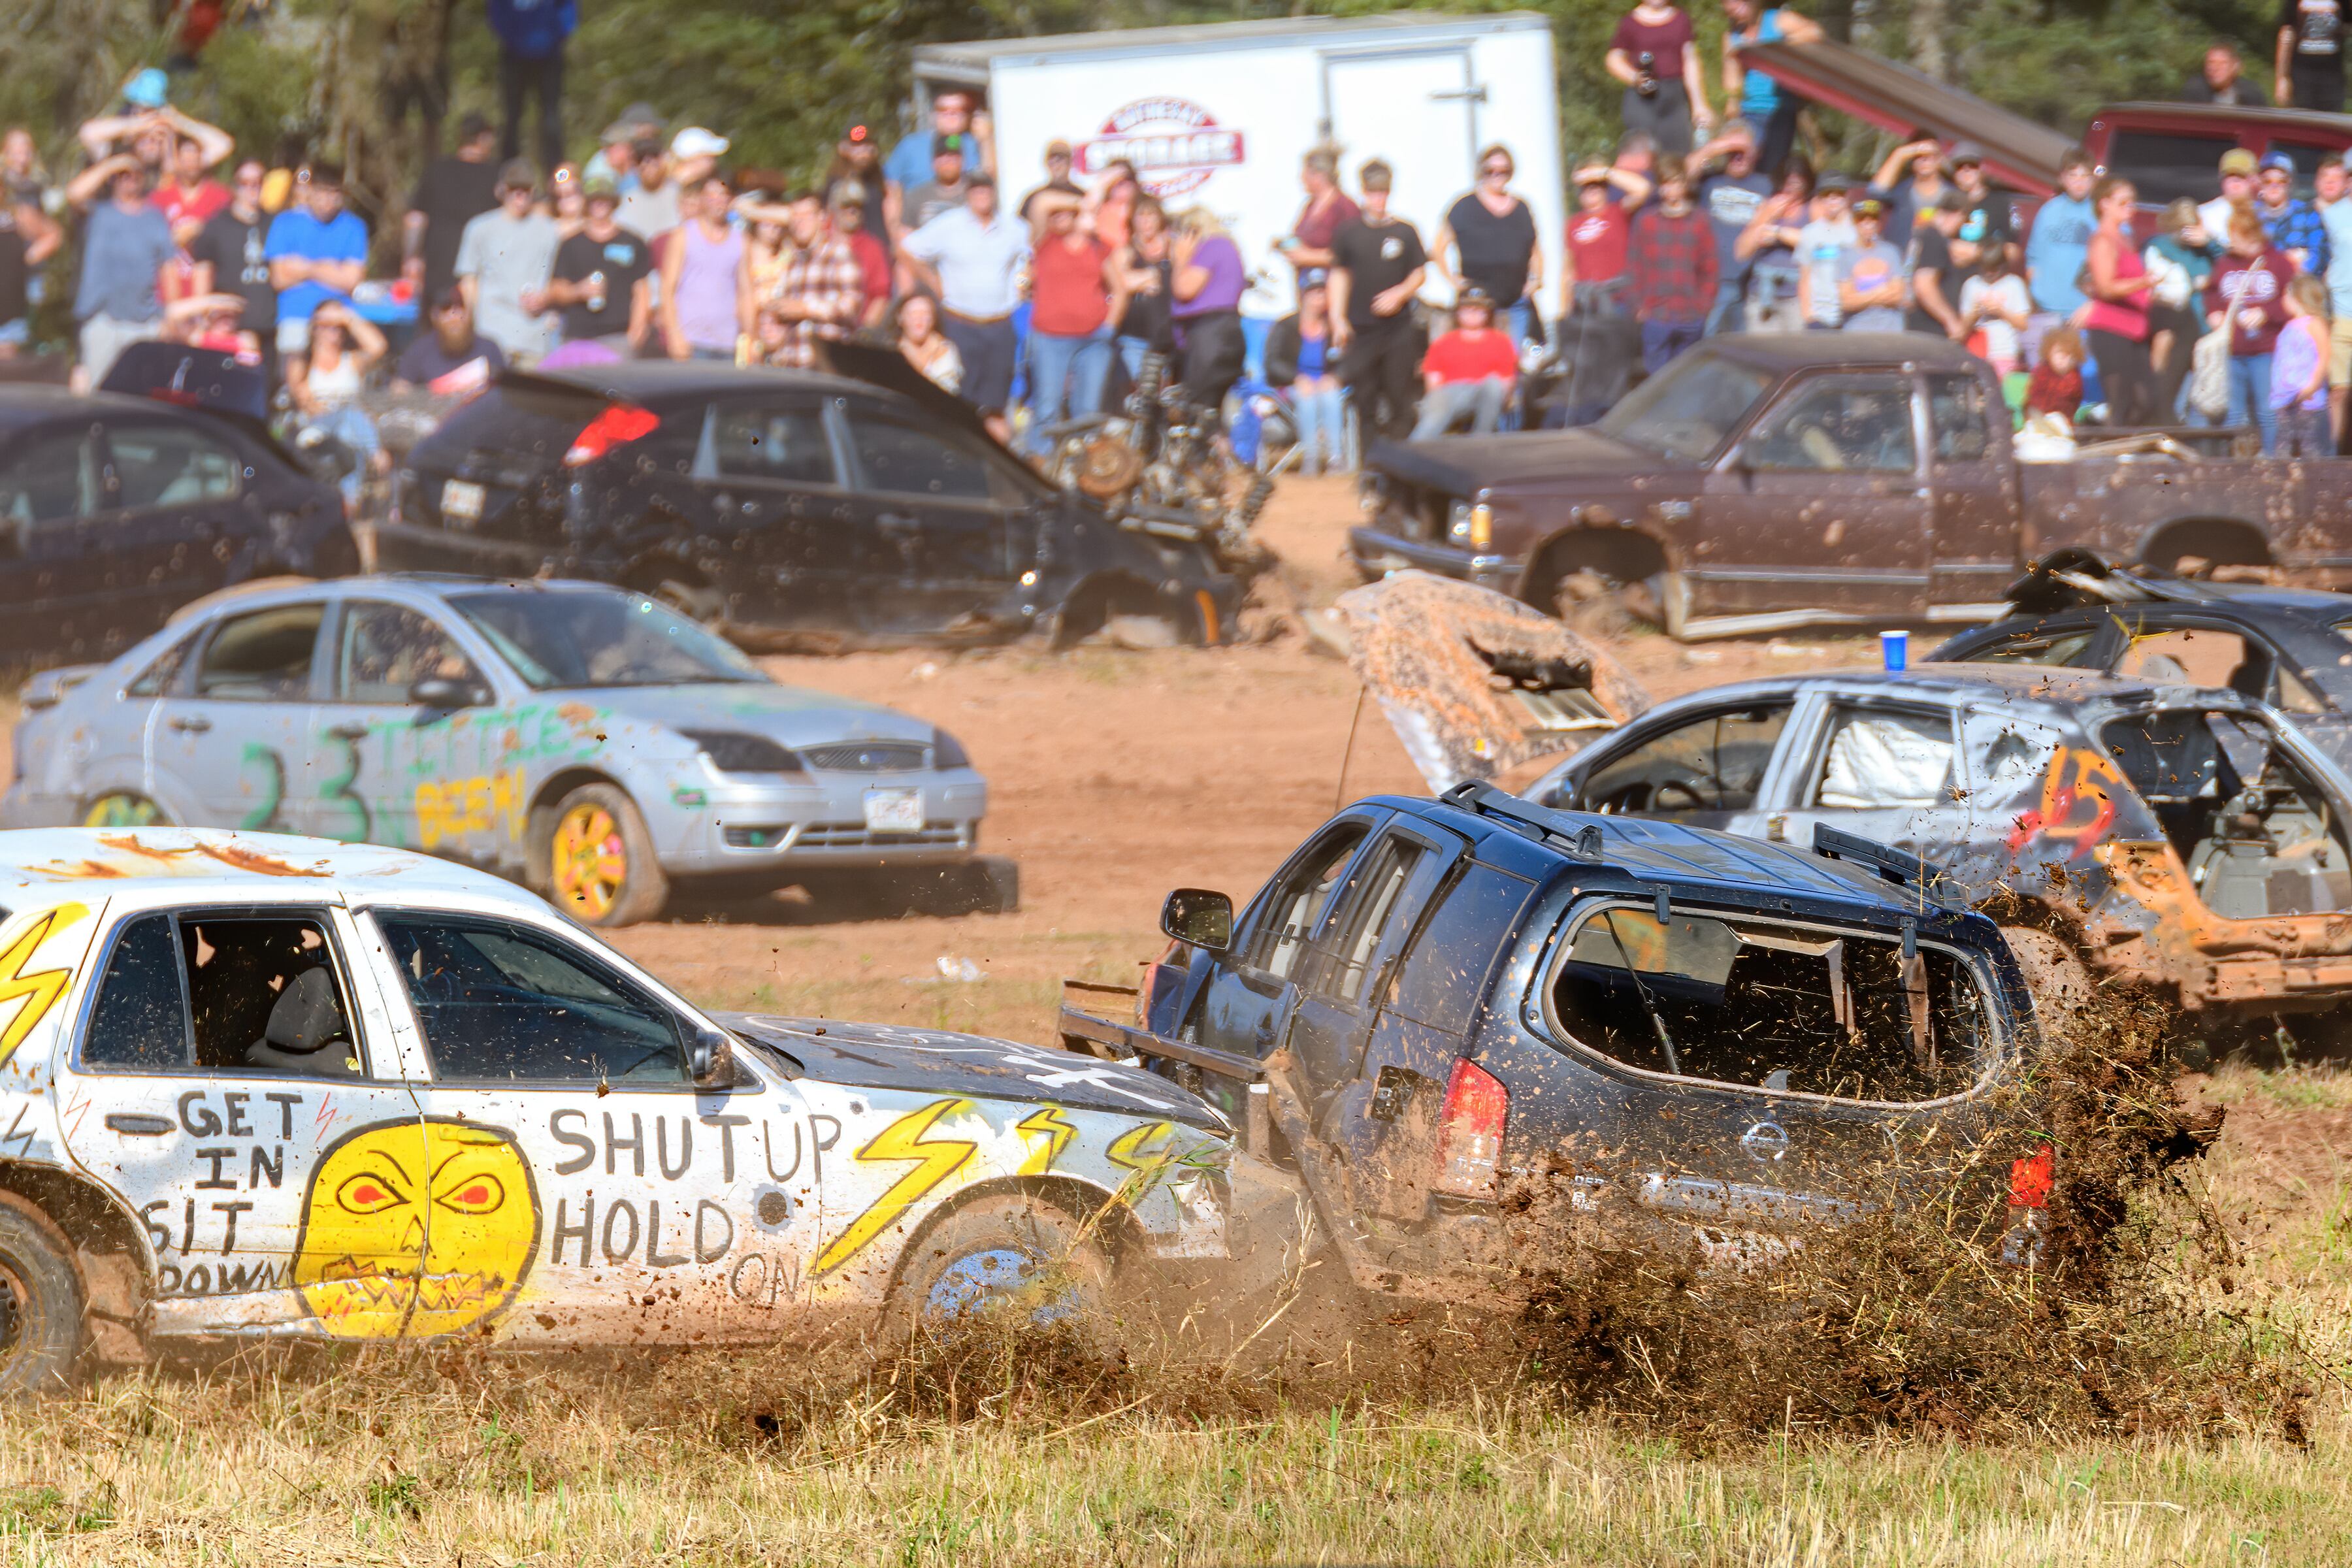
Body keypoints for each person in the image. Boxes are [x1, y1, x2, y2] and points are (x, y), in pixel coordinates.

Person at [900, 174, 1028, 433]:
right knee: (960, 402)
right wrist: (934, 282)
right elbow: (907, 249)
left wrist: (1022, 283)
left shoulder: (1015, 228)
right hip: (961, 324)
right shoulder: (949, 225)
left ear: (994, 192)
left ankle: (997, 466)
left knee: (996, 405)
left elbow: (1028, 258)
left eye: (986, 189)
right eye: (975, 189)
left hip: (1000, 325)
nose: (981, 194)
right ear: (968, 193)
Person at [1329, 160, 1428, 443]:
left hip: (1398, 329)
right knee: (1365, 400)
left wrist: (1400, 293)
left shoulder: (1405, 232)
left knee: (1400, 398)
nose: (1378, 199)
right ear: (1363, 192)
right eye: (1373, 193)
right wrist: (1338, 319)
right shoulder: (1348, 233)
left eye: (1383, 193)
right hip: (1361, 330)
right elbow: (1339, 276)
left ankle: (1403, 467)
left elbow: (1419, 273)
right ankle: (1370, 468)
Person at [63, 153, 173, 385]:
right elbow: (73, 194)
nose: (129, 180)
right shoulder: (98, 212)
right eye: (122, 176)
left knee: (141, 397)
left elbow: (167, 267)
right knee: (99, 394)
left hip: (145, 322)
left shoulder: (155, 218)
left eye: (134, 175)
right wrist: (113, 163)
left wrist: (169, 317)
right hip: (103, 320)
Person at [1023, 191, 1118, 448]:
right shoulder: (1045, 242)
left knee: (1088, 411)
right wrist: (1081, 203)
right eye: (1058, 214)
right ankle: (1040, 466)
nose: (1061, 216)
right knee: (1047, 407)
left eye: (1068, 213)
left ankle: (1084, 473)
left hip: (1093, 341)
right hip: (1051, 339)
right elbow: (1041, 203)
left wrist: (1109, 327)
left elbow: (1119, 289)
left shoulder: (1098, 246)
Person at [1432, 144, 1543, 342]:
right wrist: (1454, 281)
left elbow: (1536, 251)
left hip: (1515, 305)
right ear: (1481, 172)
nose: (1497, 175)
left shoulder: (1522, 208)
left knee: (1517, 365)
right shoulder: (1463, 207)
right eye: (1490, 170)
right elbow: (1438, 249)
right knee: (1479, 365)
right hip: (1477, 308)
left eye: (1503, 171)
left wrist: (1535, 281)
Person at [454, 159, 560, 363]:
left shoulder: (550, 230)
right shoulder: (479, 228)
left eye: (525, 189)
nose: (519, 195)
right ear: (502, 190)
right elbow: (468, 282)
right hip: (491, 334)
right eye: (514, 189)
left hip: (535, 337)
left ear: (533, 191)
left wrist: (546, 298)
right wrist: (470, 327)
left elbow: (559, 278)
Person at [2208, 209, 2298, 452]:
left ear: (2251, 235)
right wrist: (2213, 313)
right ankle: (2228, 465)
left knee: (2267, 410)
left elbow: (2293, 302)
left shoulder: (2278, 262)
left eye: (2236, 236)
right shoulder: (2225, 262)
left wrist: (2266, 313)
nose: (2231, 241)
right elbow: (2212, 292)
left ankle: (2272, 460)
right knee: (2233, 412)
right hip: (2233, 350)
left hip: (2266, 350)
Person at [286, 300, 387, 505]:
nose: (333, 330)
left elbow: (379, 347)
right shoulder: (301, 362)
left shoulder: (352, 361)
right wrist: (340, 413)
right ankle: (374, 454)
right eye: (326, 324)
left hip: (349, 433)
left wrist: (348, 318)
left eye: (338, 326)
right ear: (315, 326)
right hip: (316, 427)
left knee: (347, 433)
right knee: (348, 418)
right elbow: (307, 404)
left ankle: (348, 502)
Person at [265, 161, 367, 359]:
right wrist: (330, 269)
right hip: (295, 317)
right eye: (322, 193)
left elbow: (351, 281)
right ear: (310, 191)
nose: (327, 201)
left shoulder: (354, 227)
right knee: (292, 382)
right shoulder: (285, 223)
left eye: (334, 193)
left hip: (337, 320)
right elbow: (279, 279)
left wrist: (305, 268)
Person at [2080, 176, 2157, 425]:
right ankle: (2109, 451)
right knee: (2121, 402)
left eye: (2132, 202)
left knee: (2147, 400)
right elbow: (2105, 288)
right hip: (2111, 329)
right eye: (2123, 202)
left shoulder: (2125, 238)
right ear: (2104, 204)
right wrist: (2143, 283)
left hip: (2134, 329)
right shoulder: (2102, 240)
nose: (2130, 207)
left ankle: (2115, 442)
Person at [403, 113, 501, 306]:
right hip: (478, 277)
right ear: (483, 138)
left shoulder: (436, 170)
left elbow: (415, 220)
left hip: (438, 271)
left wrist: (411, 259)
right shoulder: (496, 177)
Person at [1629, 154, 1717, 368]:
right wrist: (1639, 307)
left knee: (1687, 379)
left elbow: (1711, 267)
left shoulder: (1700, 221)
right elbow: (1634, 266)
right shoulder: (1646, 221)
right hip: (1656, 316)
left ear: (1685, 184)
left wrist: (1703, 306)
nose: (1671, 190)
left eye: (1676, 182)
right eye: (1666, 184)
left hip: (1691, 315)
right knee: (1657, 383)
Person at [759, 190, 863, 370]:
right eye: (795, 216)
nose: (800, 222)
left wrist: (806, 308)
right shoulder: (791, 262)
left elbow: (851, 306)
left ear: (821, 218)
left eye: (806, 215)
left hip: (826, 367)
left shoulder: (838, 255)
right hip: (791, 366)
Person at [546, 175, 651, 353]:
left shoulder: (633, 242)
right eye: (595, 200)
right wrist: (579, 291)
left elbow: (641, 290)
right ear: (586, 203)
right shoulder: (570, 244)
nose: (600, 204)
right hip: (577, 338)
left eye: (605, 199)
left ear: (614, 202)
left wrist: (637, 330)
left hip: (618, 337)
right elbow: (556, 290)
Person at [188, 159, 275, 372]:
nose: (252, 188)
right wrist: (201, 319)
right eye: (245, 182)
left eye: (258, 182)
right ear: (235, 186)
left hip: (270, 328)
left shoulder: (275, 223)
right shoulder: (217, 226)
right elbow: (203, 273)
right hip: (232, 330)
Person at [1722, 0, 1823, 178]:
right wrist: (1732, 104)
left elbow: (1815, 32)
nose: (1734, 7)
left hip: (1780, 109)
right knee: (1746, 167)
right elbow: (1732, 77)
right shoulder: (1732, 35)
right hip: (1749, 111)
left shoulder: (1778, 20)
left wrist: (1777, 49)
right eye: (1729, 4)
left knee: (1773, 167)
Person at [1169, 206, 1250, 416]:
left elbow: (1184, 289)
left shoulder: (1211, 247)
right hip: (1227, 331)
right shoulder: (1228, 247)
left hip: (1210, 334)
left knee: (1200, 406)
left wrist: (1180, 260)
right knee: (1215, 407)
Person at [1263, 270, 1346, 475]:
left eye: (1323, 292)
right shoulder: (1286, 326)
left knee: (1331, 396)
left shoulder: (1337, 326)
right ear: (1303, 296)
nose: (1319, 298)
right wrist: (1296, 378)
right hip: (1293, 385)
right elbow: (1272, 361)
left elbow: (1350, 359)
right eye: (1313, 293)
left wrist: (1337, 377)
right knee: (1307, 397)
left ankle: (1335, 458)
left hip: (1327, 384)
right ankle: (1311, 457)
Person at [1693, 120, 1771, 335]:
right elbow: (1682, 172)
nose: (1738, 157)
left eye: (1744, 151)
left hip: (1751, 282)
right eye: (1732, 152)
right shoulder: (1710, 181)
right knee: (1707, 338)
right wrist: (1720, 146)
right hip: (1714, 278)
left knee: (1741, 345)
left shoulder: (1766, 184)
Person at [660, 174, 747, 362]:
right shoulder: (683, 236)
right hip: (691, 341)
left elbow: (746, 293)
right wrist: (674, 335)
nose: (717, 200)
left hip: (727, 343)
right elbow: (667, 290)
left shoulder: (741, 240)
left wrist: (751, 337)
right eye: (711, 194)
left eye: (723, 194)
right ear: (702, 198)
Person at [1608, 1, 1712, 156]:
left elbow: (1690, 60)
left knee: (1679, 154)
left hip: (1674, 98)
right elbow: (1613, 59)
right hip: (1642, 99)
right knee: (1643, 154)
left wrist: (1699, 104)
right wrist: (1635, 77)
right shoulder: (1630, 22)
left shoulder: (1681, 20)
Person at [1413, 287, 1518, 437]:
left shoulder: (1501, 342)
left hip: (1482, 394)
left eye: (1478, 309)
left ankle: (1481, 439)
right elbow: (1433, 384)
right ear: (1458, 312)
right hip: (1450, 393)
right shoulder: (1443, 343)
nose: (1473, 313)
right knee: (1437, 405)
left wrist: (1502, 401)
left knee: (1494, 385)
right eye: (1467, 309)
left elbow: (1507, 382)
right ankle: (1416, 450)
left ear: (1487, 313)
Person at [488, 0, 574, 175]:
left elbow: (568, 14)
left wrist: (553, 39)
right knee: (512, 117)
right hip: (513, 56)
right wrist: (514, 40)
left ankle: (557, 179)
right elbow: (496, 13)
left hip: (550, 56)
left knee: (551, 120)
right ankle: (507, 176)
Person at [2146, 198, 2215, 415]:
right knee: (2170, 386)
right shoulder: (2159, 246)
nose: (2187, 234)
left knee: (2201, 393)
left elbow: (2228, 265)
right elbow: (2158, 283)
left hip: (2204, 328)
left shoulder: (2206, 250)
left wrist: (2210, 242)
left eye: (2191, 227)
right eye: (2183, 228)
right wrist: (2194, 284)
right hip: (2175, 326)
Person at [1561, 161, 1652, 318]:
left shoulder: (1618, 212)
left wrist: (1604, 173)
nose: (1591, 189)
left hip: (1619, 301)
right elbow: (1568, 271)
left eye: (1597, 185)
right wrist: (1564, 311)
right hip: (1586, 304)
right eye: (1586, 187)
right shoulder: (1573, 224)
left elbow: (1643, 189)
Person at [1735, 157, 1812, 331]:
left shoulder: (1812, 208)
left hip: (1797, 297)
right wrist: (1767, 216)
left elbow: (1816, 241)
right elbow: (1741, 251)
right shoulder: (1767, 205)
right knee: (1762, 353)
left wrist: (1778, 233)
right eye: (1787, 183)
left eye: (1798, 184)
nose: (1791, 190)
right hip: (1762, 296)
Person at [393, 286, 507, 397]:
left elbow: (503, 394)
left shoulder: (490, 349)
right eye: (446, 309)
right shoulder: (419, 351)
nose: (454, 317)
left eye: (460, 309)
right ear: (434, 316)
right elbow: (400, 390)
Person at [2025, 147, 2097, 317]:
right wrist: (2036, 292)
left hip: (2083, 311)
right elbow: (2033, 257)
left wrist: (2094, 305)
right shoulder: (2048, 211)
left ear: (2093, 180)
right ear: (2062, 178)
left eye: (2085, 176)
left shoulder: (2101, 213)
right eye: (2073, 176)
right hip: (2046, 309)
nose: (2079, 182)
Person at [1109, 196, 1173, 380]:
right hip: (1134, 338)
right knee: (1140, 392)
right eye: (1141, 215)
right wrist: (1154, 275)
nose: (1146, 221)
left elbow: (1181, 280)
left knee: (1165, 395)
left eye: (1151, 215)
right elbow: (1122, 283)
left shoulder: (1172, 248)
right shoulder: (1126, 251)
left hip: (1168, 339)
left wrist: (1141, 278)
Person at [1276, 148, 1362, 274]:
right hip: (1307, 283)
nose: (1301, 179)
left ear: (1319, 176)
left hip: (1332, 284)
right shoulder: (1310, 205)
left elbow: (1352, 252)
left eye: (1305, 173)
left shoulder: (1345, 207)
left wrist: (1309, 257)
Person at [2274, 272, 2333, 453]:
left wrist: (2312, 386)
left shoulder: (2315, 324)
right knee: (2284, 448)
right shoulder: (2290, 326)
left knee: (2312, 448)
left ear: (2297, 297)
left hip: (2309, 400)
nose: (2282, 300)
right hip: (2287, 400)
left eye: (2286, 295)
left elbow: (2324, 356)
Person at [1795, 172, 1857, 329]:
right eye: (1827, 194)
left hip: (1853, 315)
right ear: (1820, 199)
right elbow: (1804, 277)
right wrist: (1808, 315)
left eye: (1839, 194)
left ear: (1848, 196)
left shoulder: (1859, 232)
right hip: (1820, 317)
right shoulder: (1809, 233)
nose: (1833, 199)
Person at [1836, 196, 1907, 331]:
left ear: (1879, 223)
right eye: (1862, 220)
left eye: (1873, 219)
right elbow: (1846, 302)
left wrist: (1862, 298)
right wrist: (1882, 291)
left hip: (1891, 330)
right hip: (1857, 331)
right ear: (1855, 223)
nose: (1868, 224)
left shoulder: (1891, 252)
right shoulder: (1845, 256)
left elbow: (1898, 295)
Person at [1866, 131, 1947, 249]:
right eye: (1919, 156)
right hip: (1900, 260)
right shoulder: (1901, 192)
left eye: (1930, 155)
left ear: (1940, 158)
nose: (1924, 160)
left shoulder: (1951, 195)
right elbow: (1876, 191)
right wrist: (1899, 154)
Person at [1960, 251, 2033, 378]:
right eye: (1985, 269)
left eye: (1993, 270)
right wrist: (1976, 313)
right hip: (1977, 350)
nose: (1989, 273)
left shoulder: (2014, 283)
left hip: (2005, 352)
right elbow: (1962, 328)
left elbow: (2024, 324)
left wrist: (2001, 312)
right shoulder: (1971, 284)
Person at [1908, 189, 1969, 340]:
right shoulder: (1934, 238)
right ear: (1958, 214)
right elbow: (1924, 285)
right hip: (1930, 332)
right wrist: (1951, 321)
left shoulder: (1922, 235)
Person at [1946, 142, 2016, 270]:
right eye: (1959, 166)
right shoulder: (1947, 202)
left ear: (1982, 168)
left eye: (1972, 165)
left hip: (1985, 281)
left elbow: (2013, 252)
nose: (1966, 170)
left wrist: (1976, 252)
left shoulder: (2001, 204)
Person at [2255, 152, 2328, 274]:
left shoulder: (2308, 214)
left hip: (2296, 285)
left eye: (2282, 180)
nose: (2274, 186)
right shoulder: (2250, 216)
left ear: (2290, 183)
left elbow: (2320, 254)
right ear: (2260, 184)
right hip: (2260, 286)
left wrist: (2297, 273)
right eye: (2267, 181)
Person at [832, 184, 892, 329]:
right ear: (834, 208)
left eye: (857, 207)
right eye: (847, 206)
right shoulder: (820, 239)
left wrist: (865, 332)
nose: (853, 211)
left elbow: (881, 296)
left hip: (855, 330)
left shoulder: (873, 248)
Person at [152, 133, 230, 242]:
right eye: (186, 156)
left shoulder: (220, 196)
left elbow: (230, 233)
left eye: (195, 154)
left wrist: (201, 228)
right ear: (177, 159)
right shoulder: (160, 198)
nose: (191, 160)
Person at [2279, 0, 2346, 112]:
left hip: (2333, 74)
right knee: (2303, 118)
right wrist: (2282, 78)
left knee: (2332, 120)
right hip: (2302, 73)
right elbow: (2287, 34)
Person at [614, 137, 682, 242]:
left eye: (654, 156)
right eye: (640, 159)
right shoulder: (628, 199)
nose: (647, 163)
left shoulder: (680, 194)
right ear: (634, 165)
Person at [892, 292, 962, 394]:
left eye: (925, 313)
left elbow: (944, 392)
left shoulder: (946, 350)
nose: (919, 319)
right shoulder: (889, 348)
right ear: (900, 318)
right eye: (913, 313)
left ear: (933, 319)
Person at [2025, 326, 2085, 419]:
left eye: (2069, 354)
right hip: (2039, 419)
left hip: (2064, 421)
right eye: (2058, 353)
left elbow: (2073, 402)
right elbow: (2033, 403)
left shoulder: (2075, 377)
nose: (2063, 358)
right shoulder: (2042, 374)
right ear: (2048, 353)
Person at [2200, 149, 2259, 242]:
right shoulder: (2204, 214)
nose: (2235, 185)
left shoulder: (2263, 215)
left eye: (2241, 177)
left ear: (2254, 181)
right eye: (2230, 177)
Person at [1018, 139, 1082, 225]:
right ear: (1046, 164)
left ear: (1071, 163)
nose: (1056, 165)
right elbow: (1021, 228)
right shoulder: (1033, 198)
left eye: (1060, 160)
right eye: (1052, 160)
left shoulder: (1081, 195)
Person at [2186, 39, 2270, 104]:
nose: (2215, 68)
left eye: (2223, 63)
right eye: (2211, 63)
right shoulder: (2194, 90)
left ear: (2235, 67)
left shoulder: (2251, 93)